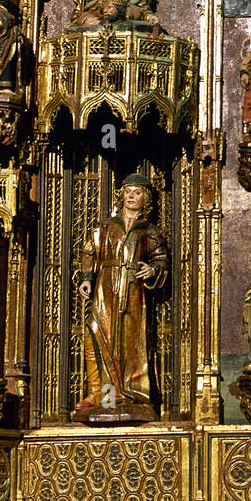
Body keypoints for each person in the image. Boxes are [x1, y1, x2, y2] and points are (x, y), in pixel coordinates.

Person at [74, 173, 169, 424]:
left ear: (145, 198)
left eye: (137, 193)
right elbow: (89, 251)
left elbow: (160, 258)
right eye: (127, 192)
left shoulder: (148, 229)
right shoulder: (106, 226)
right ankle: (101, 394)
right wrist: (86, 278)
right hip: (106, 286)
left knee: (130, 341)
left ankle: (133, 394)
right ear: (121, 196)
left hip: (132, 289)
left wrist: (153, 270)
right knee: (95, 332)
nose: (131, 196)